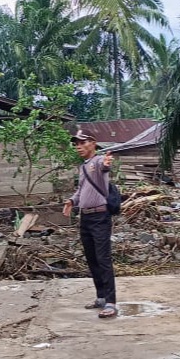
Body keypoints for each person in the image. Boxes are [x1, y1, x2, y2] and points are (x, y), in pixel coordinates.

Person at [63, 129, 117, 319]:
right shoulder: (83, 166)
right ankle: (101, 297)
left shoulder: (98, 162)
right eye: (76, 144)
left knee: (103, 259)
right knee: (92, 259)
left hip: (100, 217)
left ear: (93, 142)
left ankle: (111, 302)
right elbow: (80, 190)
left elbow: (105, 166)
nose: (78, 146)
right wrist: (71, 201)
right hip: (85, 218)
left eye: (82, 142)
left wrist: (106, 162)